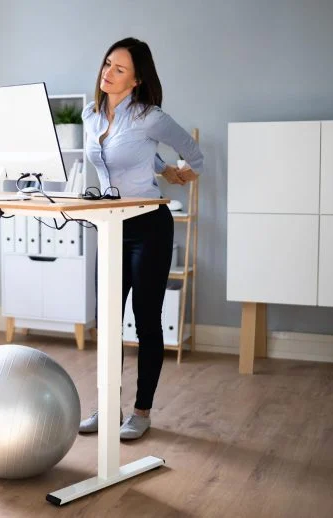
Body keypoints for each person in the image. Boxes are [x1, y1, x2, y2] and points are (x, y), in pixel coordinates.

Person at [78, 37, 204, 440]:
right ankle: (106, 407)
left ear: (136, 80)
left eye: (119, 69)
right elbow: (129, 154)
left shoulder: (151, 116)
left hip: (149, 225)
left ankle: (142, 411)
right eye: (107, 64)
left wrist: (180, 171)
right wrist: (160, 165)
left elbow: (194, 153)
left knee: (147, 322)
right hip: (111, 226)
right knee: (107, 322)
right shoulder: (90, 116)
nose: (107, 73)